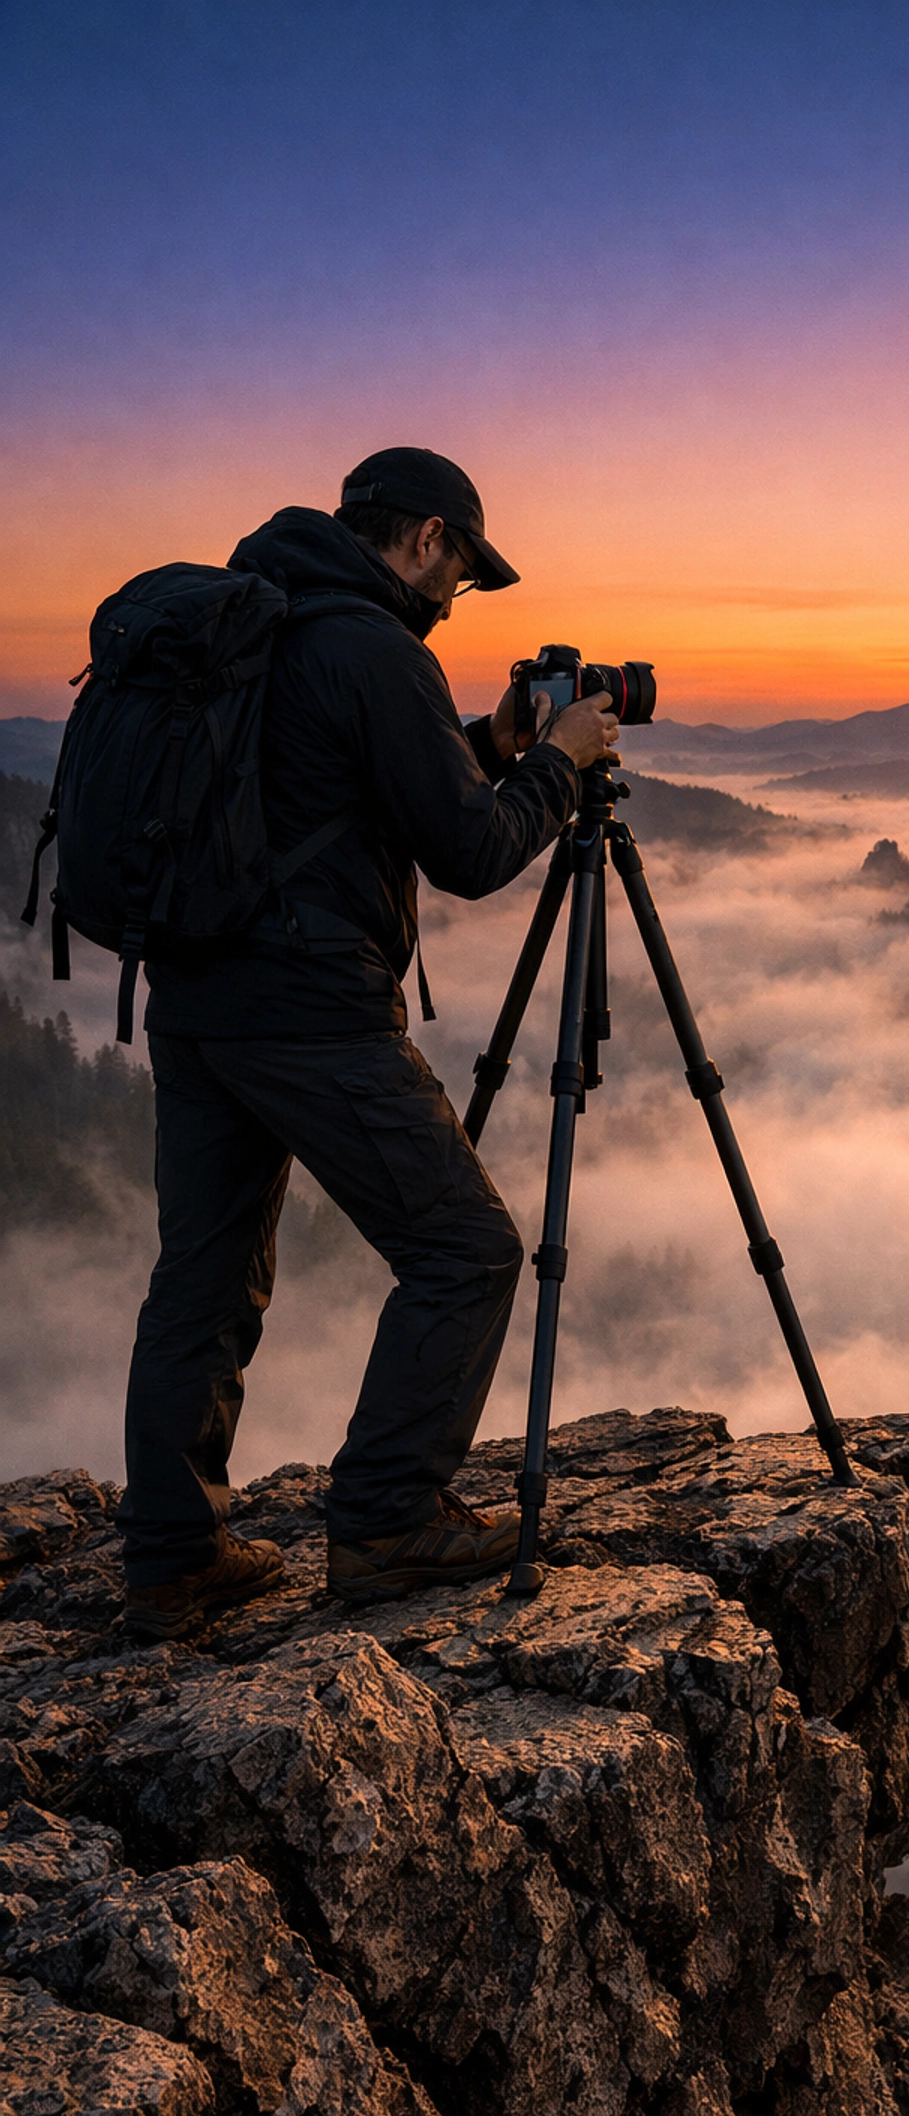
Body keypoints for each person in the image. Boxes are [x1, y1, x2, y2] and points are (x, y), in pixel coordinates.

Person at [114, 446, 618, 1639]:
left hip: (197, 1001)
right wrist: (561, 762)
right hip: (309, 1008)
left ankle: (174, 1557)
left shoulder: (273, 616)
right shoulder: (374, 647)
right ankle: (390, 1520)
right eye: (462, 575)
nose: (459, 603)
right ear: (430, 537)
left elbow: (335, 785)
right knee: (467, 1251)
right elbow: (473, 853)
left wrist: (489, 743)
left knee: (204, 1275)